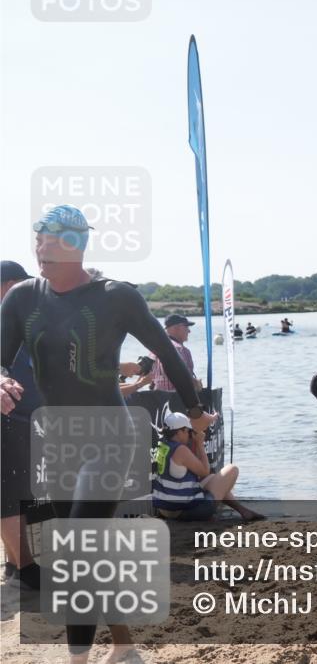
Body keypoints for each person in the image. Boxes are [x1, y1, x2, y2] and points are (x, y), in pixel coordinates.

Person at [0, 205, 217, 664]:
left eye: (53, 245)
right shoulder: (20, 299)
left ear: (77, 245)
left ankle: (79, 658)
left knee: (77, 541)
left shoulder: (116, 296)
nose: (42, 254)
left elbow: (164, 354)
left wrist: (196, 411)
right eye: (38, 244)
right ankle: (122, 644)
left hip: (109, 433)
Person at [0, 260, 41, 590]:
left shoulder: (22, 321)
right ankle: (24, 567)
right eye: (20, 284)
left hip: (24, 418)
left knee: (18, 495)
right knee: (10, 496)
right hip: (7, 417)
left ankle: (16, 564)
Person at [152, 412, 262, 521]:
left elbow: (200, 473)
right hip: (184, 511)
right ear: (180, 432)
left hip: (165, 509)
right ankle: (211, 514)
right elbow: (204, 471)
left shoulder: (163, 445)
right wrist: (200, 444)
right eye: (188, 431)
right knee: (232, 470)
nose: (189, 435)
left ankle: (243, 511)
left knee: (213, 478)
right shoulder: (181, 450)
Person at [150, 314, 203, 393]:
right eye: (186, 327)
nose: (189, 331)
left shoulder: (154, 349)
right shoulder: (179, 349)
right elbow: (183, 378)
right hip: (178, 400)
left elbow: (150, 380)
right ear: (176, 328)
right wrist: (196, 383)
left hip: (158, 400)